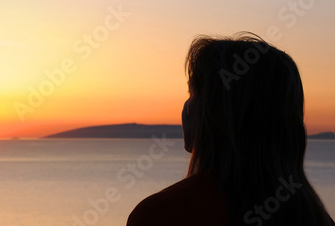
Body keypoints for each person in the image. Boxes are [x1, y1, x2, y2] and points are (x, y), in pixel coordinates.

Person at [127, 33, 335, 226]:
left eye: (193, 94)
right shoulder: (315, 217)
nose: (186, 108)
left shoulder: (162, 215)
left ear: (218, 113)